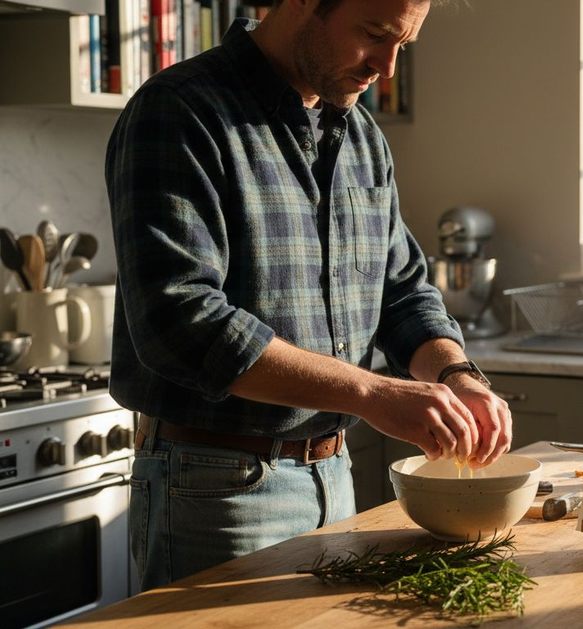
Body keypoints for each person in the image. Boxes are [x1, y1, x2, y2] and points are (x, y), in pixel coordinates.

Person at [105, 0, 511, 592]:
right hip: (217, 487)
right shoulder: (182, 110)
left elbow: (402, 292)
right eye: (373, 35)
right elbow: (180, 320)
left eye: (404, 44)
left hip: (335, 474)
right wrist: (372, 393)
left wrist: (456, 375)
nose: (387, 67)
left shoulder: (362, 134)